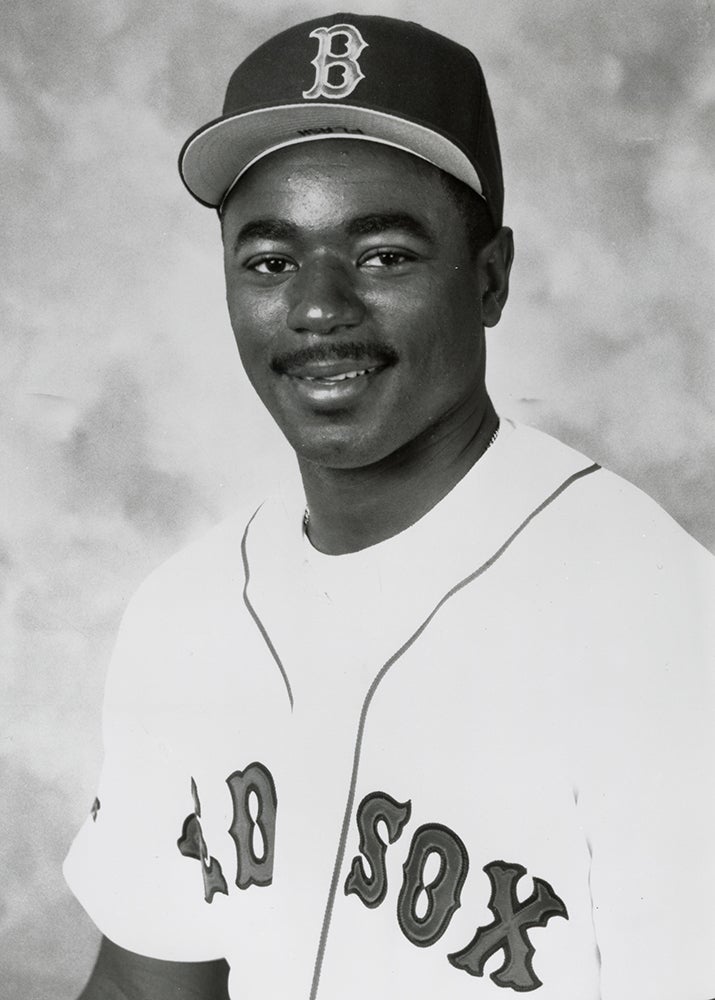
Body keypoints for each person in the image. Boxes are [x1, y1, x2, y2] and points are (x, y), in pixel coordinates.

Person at [65, 13, 714, 1000]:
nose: (319, 307)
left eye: (384, 255)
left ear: (488, 278)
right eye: (270, 261)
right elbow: (144, 984)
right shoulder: (184, 612)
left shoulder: (656, 627)